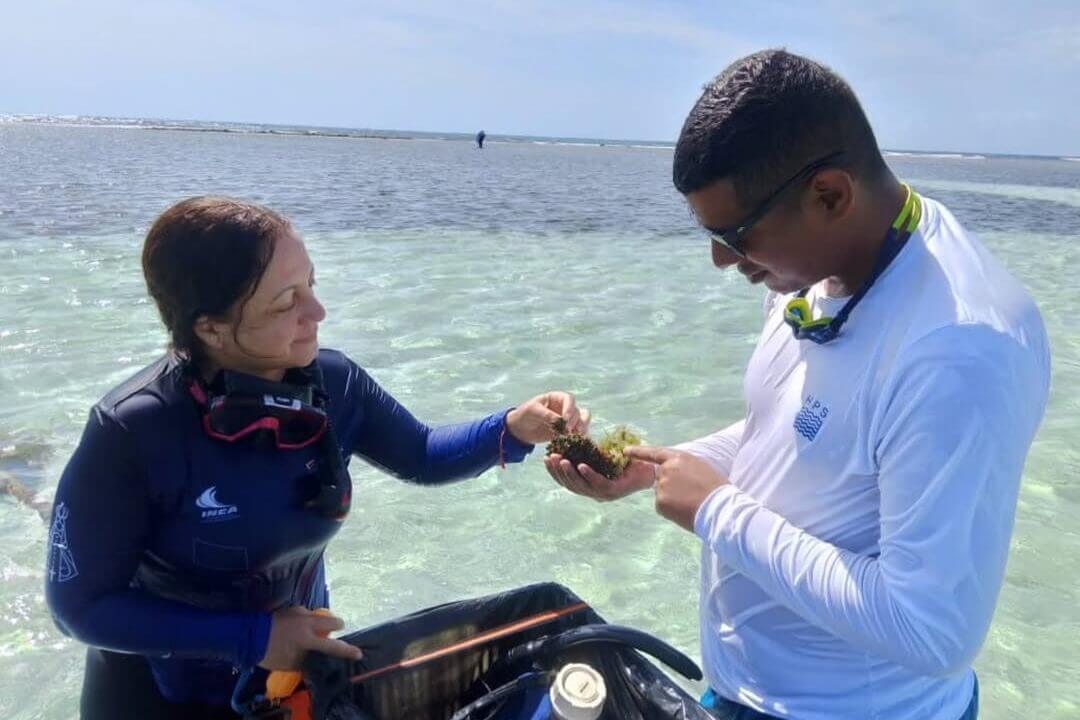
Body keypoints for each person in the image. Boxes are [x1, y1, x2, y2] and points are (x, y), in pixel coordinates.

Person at [546, 50, 1049, 719]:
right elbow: (801, 425)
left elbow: (933, 631)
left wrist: (716, 512)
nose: (719, 259)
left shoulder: (959, 353)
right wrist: (660, 466)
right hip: (747, 689)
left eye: (735, 234)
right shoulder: (817, 263)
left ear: (830, 195)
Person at [46, 196, 589, 719]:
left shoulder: (335, 384)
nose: (318, 311)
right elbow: (79, 608)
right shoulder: (133, 429)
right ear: (210, 327)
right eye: (287, 302)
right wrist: (255, 637)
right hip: (160, 692)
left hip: (290, 673)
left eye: (312, 284)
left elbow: (421, 455)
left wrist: (511, 427)